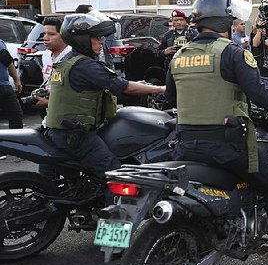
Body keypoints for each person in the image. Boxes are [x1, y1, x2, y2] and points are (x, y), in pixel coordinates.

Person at [164, 0, 268, 265]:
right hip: (226, 146)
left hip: (186, 145)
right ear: (224, 21)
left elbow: (170, 98)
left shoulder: (179, 56)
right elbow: (260, 94)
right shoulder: (231, 52)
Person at [45, 11, 165, 177]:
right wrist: (161, 89)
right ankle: (113, 203)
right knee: (115, 175)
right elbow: (124, 87)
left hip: (60, 131)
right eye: (97, 37)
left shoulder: (68, 61)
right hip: (75, 135)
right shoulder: (85, 66)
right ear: (82, 39)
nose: (102, 41)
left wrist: (144, 85)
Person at [31, 17, 72, 109]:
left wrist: (49, 102)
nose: (45, 38)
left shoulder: (72, 57)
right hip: (50, 112)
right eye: (44, 34)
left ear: (64, 35)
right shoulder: (46, 55)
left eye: (51, 34)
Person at [0, 38, 23, 129]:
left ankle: (16, 141)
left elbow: (8, 62)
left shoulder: (0, 43)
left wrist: (16, 79)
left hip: (5, 86)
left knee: (16, 116)